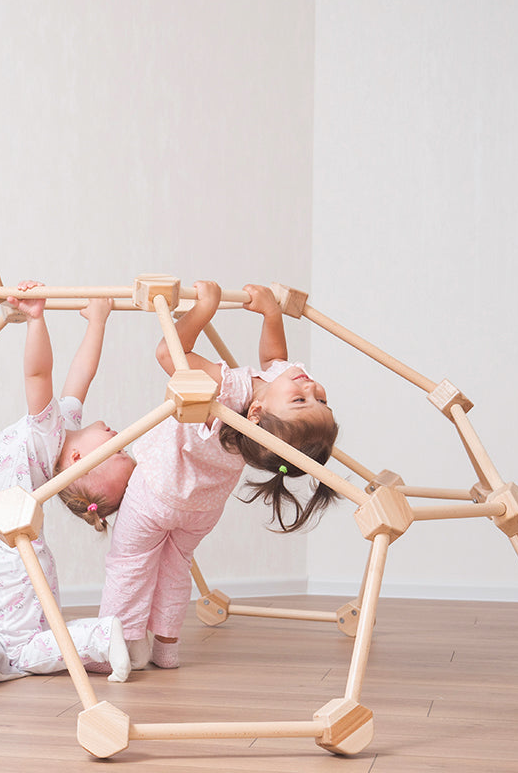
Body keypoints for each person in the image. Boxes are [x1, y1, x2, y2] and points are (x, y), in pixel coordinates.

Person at [99, 280, 339, 669]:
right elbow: (276, 360)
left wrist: (203, 309)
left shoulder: (231, 391)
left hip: (156, 491)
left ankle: (119, 646)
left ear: (258, 413)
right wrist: (271, 314)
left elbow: (169, 354)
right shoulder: (266, 412)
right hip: (201, 511)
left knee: (130, 563)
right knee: (174, 570)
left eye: (302, 400)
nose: (310, 388)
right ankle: (166, 648)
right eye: (320, 399)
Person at [0, 281, 136, 680]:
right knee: (42, 630)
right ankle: (101, 646)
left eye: (117, 450)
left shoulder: (48, 433)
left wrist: (36, 321)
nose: (121, 437)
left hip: (5, 544)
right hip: (22, 542)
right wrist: (98, 320)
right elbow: (82, 373)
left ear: (78, 461)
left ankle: (98, 636)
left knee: (19, 651)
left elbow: (38, 373)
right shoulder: (67, 427)